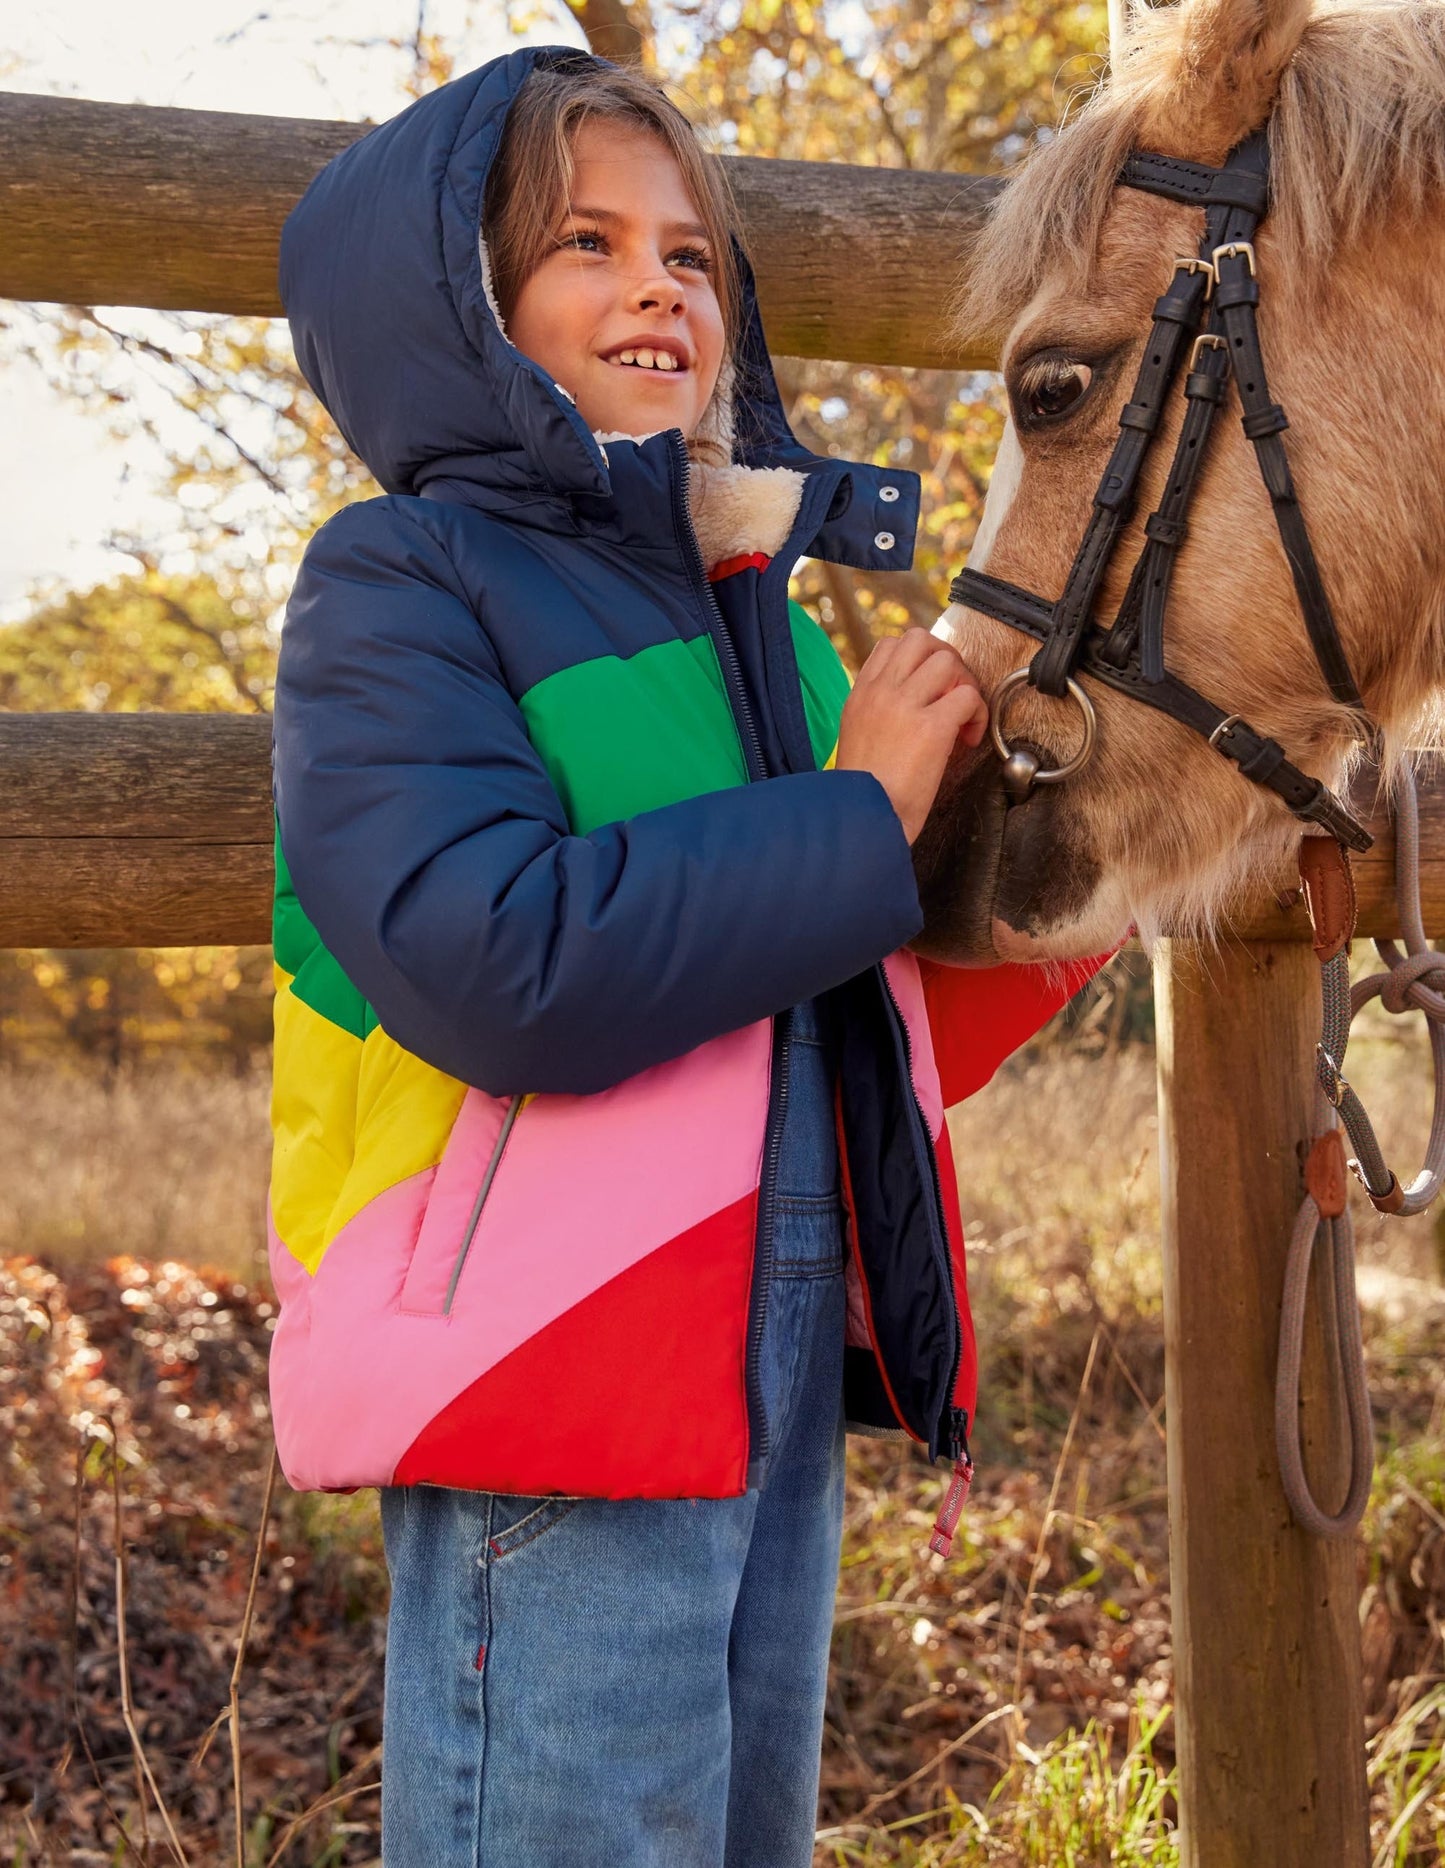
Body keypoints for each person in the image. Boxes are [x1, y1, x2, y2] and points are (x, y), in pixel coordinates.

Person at [269, 45, 1094, 1868]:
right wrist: (859, 819)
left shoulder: (770, 636)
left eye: (691, 255)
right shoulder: (403, 582)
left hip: (763, 1373)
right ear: (463, 306)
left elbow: (857, 1022)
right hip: (548, 1382)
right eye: (584, 242)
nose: (656, 283)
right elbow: (500, 961)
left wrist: (1086, 886)